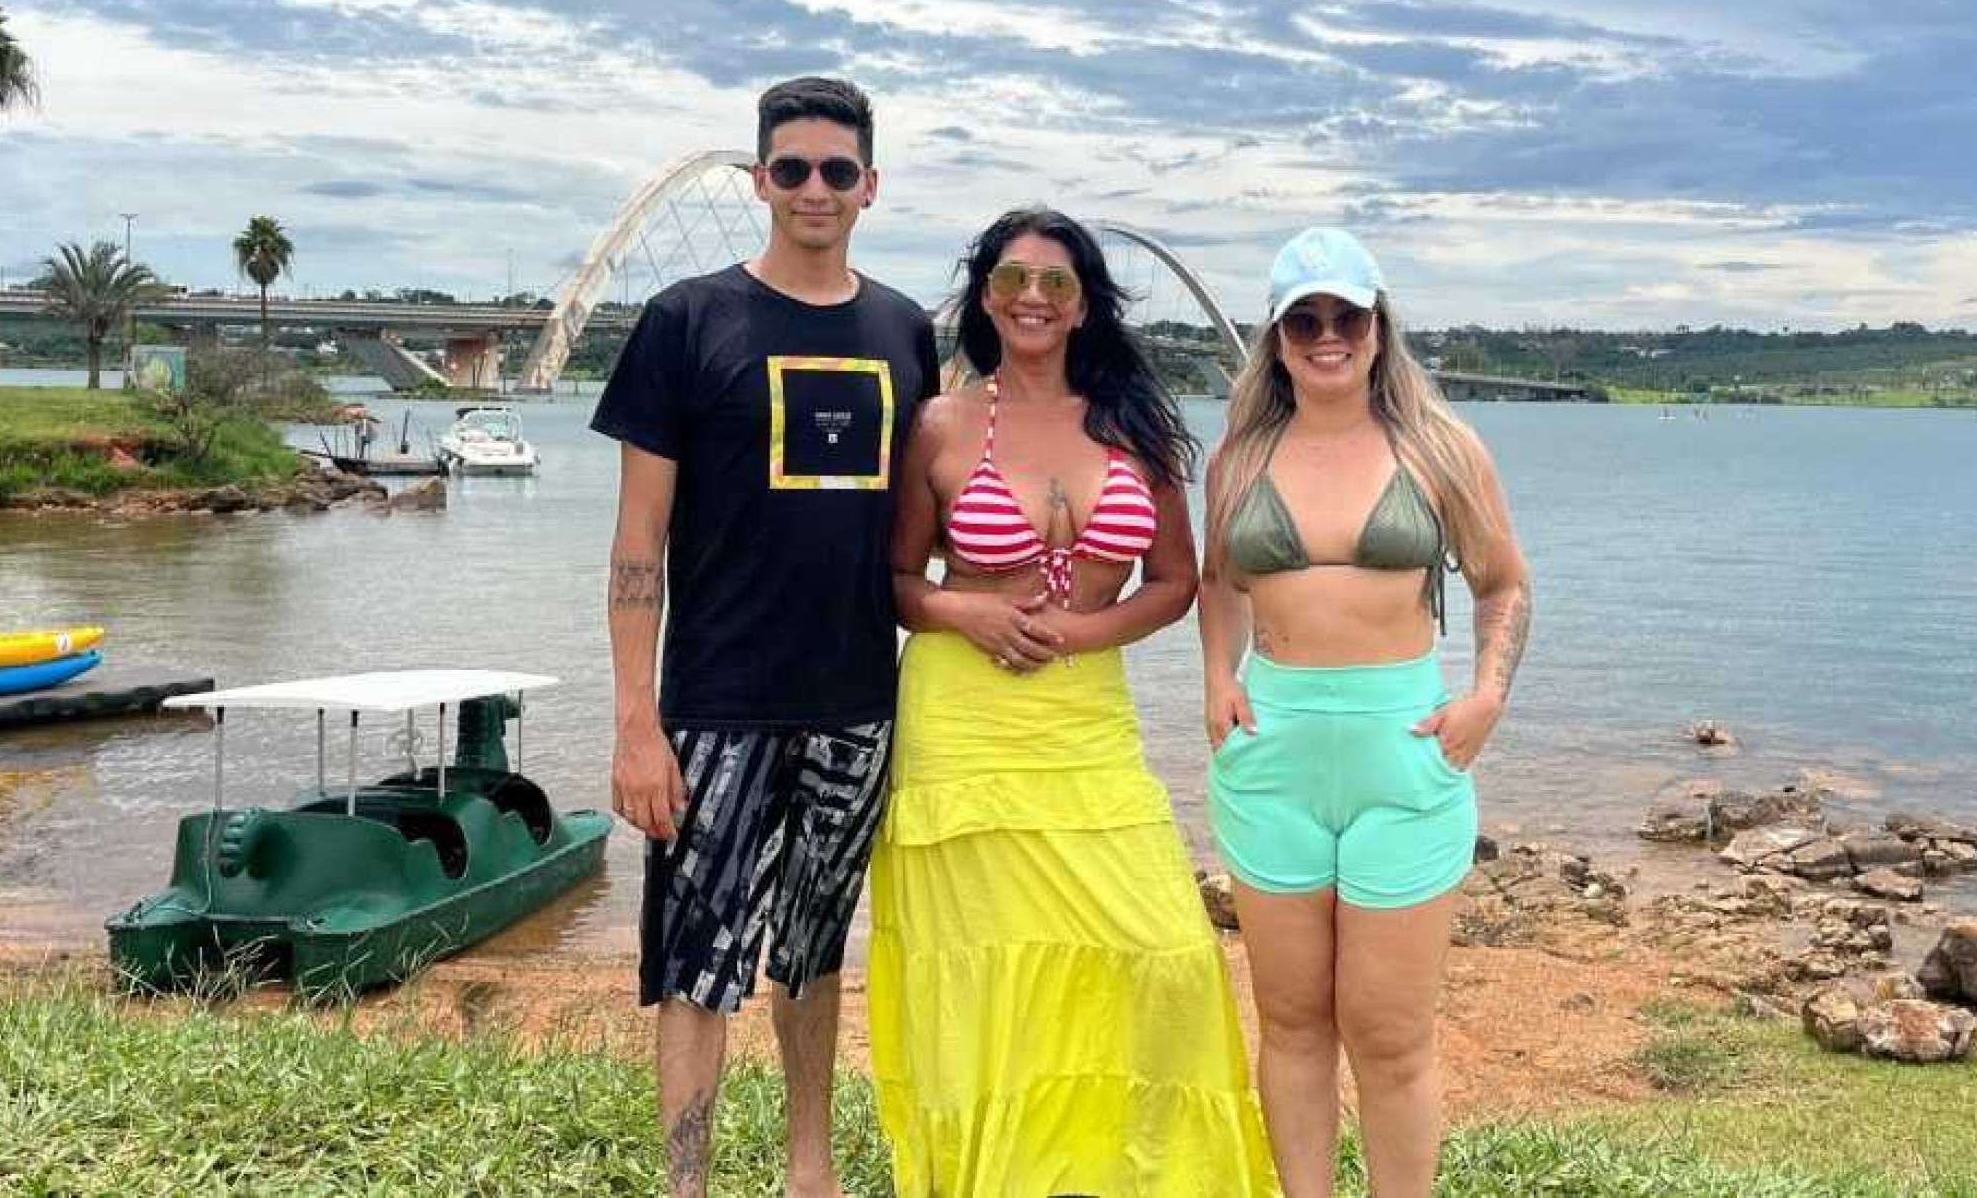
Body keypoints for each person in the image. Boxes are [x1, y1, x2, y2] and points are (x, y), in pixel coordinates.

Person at [870, 208, 1278, 1195]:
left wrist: (1083, 634)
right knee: (985, 974)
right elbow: (895, 582)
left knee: (1165, 953)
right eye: (1012, 279)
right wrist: (967, 611)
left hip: (1088, 723)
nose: (1033, 298)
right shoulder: (939, 423)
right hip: (962, 731)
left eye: (1055, 282)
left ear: (1084, 303)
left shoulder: (1132, 423)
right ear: (984, 297)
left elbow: (1174, 582)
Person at [594, 76, 938, 1198]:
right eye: (791, 168)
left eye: (837, 170)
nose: (813, 189)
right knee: (695, 963)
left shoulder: (905, 332)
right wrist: (636, 722)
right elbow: (637, 545)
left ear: (870, 186)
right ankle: (685, 1182)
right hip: (715, 705)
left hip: (856, 701)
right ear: (758, 181)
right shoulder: (686, 321)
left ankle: (810, 1172)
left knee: (814, 950)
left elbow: (927, 520)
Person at [1198, 227, 1532, 1198]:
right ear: (1277, 337)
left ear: (1379, 325)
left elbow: (1503, 583)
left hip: (1404, 759)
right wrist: (1216, 675)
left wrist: (1486, 698)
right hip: (1273, 762)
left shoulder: (1442, 449)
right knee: (1292, 1023)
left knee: (1390, 1035)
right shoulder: (1239, 459)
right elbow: (1218, 581)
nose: (1327, 335)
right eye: (1304, 319)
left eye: (1347, 314)